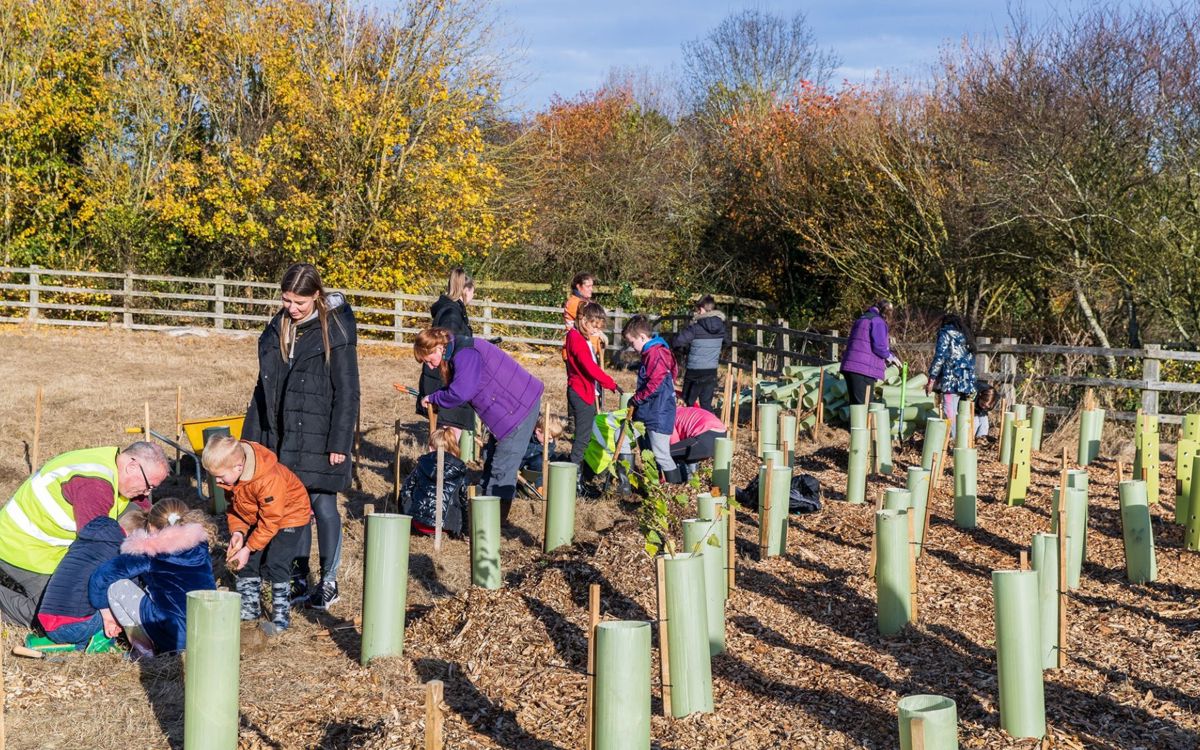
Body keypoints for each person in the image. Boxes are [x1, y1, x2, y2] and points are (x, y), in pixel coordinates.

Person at [243, 262, 359, 612]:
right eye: (286, 301)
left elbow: (348, 391)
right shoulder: (279, 328)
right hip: (284, 434)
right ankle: (298, 576)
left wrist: (339, 442)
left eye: (299, 303)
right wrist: (254, 438)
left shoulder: (335, 331)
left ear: (317, 296)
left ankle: (330, 580)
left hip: (321, 432)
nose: (292, 309)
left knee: (323, 504)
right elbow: (265, 388)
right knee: (296, 508)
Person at [0, 441, 168, 627]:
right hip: (24, 546)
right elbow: (95, 551)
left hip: (54, 543)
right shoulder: (95, 485)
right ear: (132, 466)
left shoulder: (114, 462)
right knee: (57, 615)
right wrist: (106, 604)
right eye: (148, 486)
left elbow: (147, 516)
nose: (147, 492)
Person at [411, 327, 544, 523]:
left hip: (518, 408)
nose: (430, 367)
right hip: (509, 407)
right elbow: (461, 385)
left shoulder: (466, 354)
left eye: (429, 360)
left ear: (439, 347)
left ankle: (493, 526)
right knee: (491, 461)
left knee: (502, 469)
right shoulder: (458, 351)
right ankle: (482, 517)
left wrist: (435, 397)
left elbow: (460, 392)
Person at [203, 435, 313, 635]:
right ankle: (249, 610)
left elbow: (271, 521)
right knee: (246, 562)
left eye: (219, 476)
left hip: (289, 516)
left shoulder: (268, 479)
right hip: (261, 516)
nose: (217, 481)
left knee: (276, 562)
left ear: (238, 466)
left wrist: (249, 547)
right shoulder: (232, 479)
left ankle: (281, 616)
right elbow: (237, 509)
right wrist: (238, 533)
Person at [89, 497, 216, 657]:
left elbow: (102, 577)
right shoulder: (200, 546)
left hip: (172, 636)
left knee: (117, 587)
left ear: (150, 525)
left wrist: (104, 610)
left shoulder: (150, 552)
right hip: (207, 633)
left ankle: (144, 651)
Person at [36, 508, 147, 650]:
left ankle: (71, 645)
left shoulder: (88, 541)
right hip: (75, 625)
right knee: (125, 602)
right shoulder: (120, 552)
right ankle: (93, 644)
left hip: (47, 619)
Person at [418, 268, 477, 440]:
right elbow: (447, 352)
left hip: (447, 382)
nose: (473, 297)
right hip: (446, 383)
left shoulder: (453, 311)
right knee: (447, 438)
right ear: (466, 290)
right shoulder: (452, 315)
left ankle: (439, 465)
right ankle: (439, 466)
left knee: (443, 437)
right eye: (473, 292)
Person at [564, 302, 620, 483]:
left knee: (585, 436)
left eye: (599, 328)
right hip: (581, 393)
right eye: (594, 326)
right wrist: (610, 383)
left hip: (584, 390)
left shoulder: (580, 336)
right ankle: (573, 480)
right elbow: (589, 368)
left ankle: (581, 474)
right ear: (584, 320)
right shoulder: (577, 339)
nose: (596, 331)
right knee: (582, 438)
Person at [622, 315, 682, 483]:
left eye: (632, 342)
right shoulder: (649, 353)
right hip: (648, 410)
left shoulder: (657, 352)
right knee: (626, 438)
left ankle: (674, 490)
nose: (632, 347)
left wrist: (636, 399)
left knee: (661, 454)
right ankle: (626, 485)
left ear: (642, 337)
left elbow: (655, 384)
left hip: (659, 412)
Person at [400, 428, 469, 537]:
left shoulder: (422, 464)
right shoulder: (460, 470)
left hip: (419, 524)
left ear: (431, 447)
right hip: (446, 527)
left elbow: (406, 490)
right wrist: (465, 530)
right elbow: (465, 502)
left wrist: (408, 514)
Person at [672, 295, 730, 414]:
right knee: (706, 405)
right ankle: (713, 430)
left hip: (694, 372)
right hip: (711, 371)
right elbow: (727, 342)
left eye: (697, 309)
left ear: (702, 309)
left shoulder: (695, 327)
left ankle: (688, 430)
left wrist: (684, 350)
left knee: (687, 403)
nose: (696, 312)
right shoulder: (721, 327)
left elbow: (677, 342)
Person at [925, 313, 978, 439]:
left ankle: (953, 440)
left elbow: (940, 357)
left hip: (951, 379)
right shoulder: (967, 337)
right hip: (967, 380)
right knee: (964, 412)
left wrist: (932, 379)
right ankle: (965, 440)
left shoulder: (945, 334)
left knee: (949, 410)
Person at [840, 300, 901, 406]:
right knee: (864, 406)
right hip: (863, 370)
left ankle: (855, 423)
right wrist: (891, 357)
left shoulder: (862, 318)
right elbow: (880, 347)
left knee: (855, 406)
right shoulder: (878, 321)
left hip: (850, 366)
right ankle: (860, 423)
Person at [669, 405, 728, 480]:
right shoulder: (684, 410)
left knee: (667, 453)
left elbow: (674, 442)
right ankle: (693, 480)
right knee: (689, 451)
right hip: (722, 436)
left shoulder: (669, 417)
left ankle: (680, 480)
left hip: (705, 436)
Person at [520, 413, 567, 491]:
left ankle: (540, 487)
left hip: (533, 468)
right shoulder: (526, 436)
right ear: (538, 431)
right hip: (519, 463)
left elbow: (543, 467)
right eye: (548, 438)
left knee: (541, 461)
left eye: (553, 438)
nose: (550, 441)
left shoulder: (550, 444)